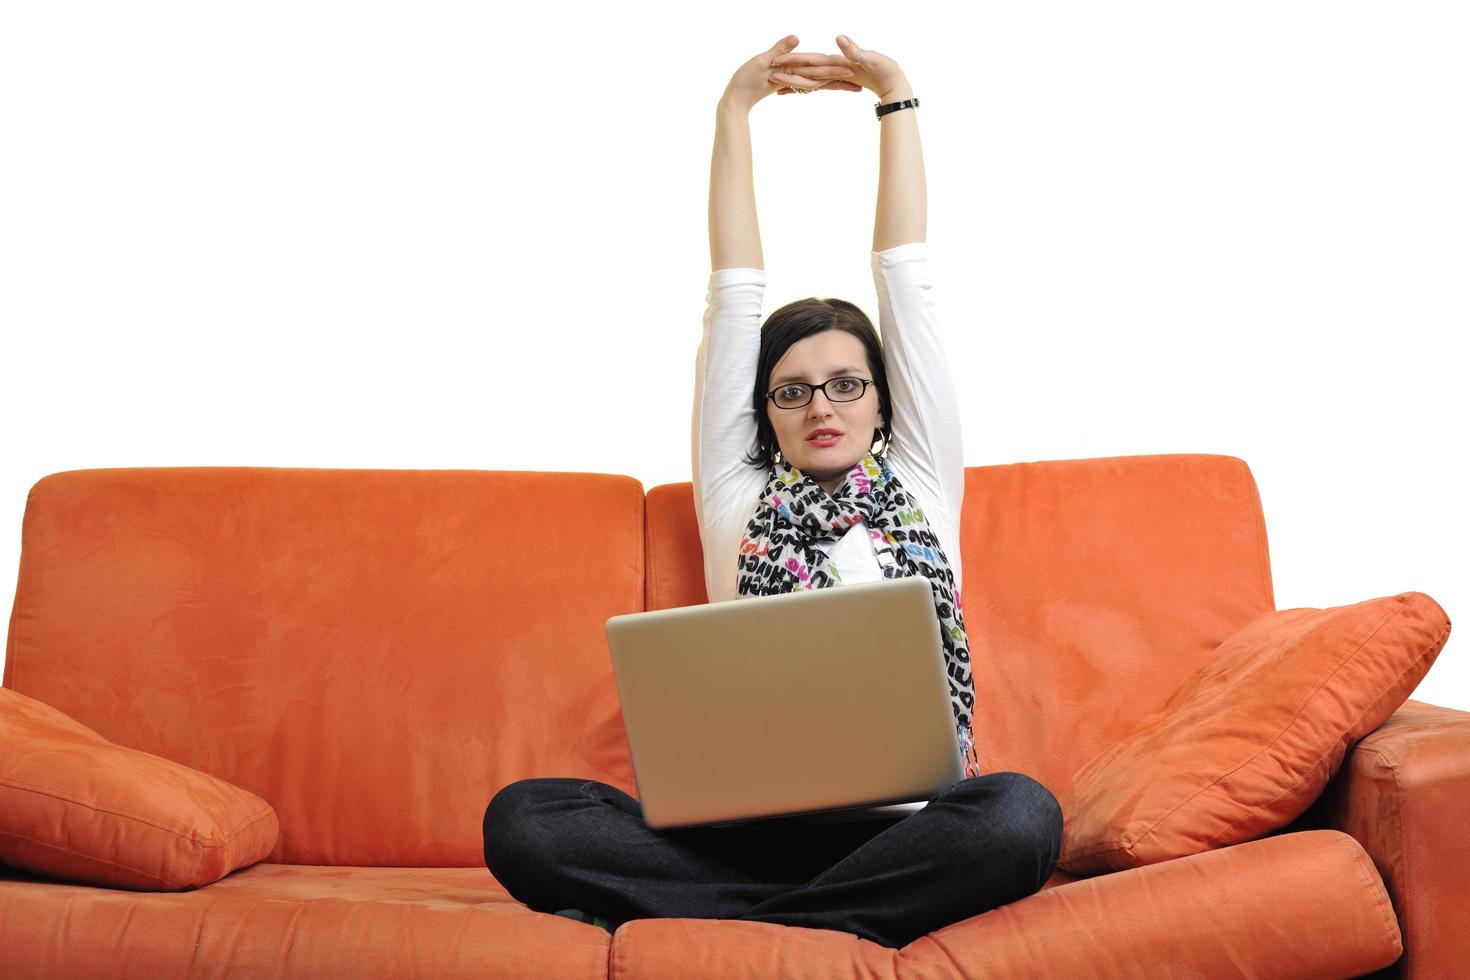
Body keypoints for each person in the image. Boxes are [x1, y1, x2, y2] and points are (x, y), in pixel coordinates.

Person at [483, 34, 1063, 950]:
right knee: (525, 818)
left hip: (906, 832)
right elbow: (733, 296)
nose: (822, 407)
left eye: (847, 383)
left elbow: (905, 279)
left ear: (884, 399)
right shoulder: (737, 498)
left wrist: (896, 97)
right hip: (741, 840)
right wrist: (732, 113)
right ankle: (813, 926)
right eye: (792, 390)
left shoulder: (919, 477)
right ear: (764, 412)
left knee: (1021, 816)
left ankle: (743, 932)